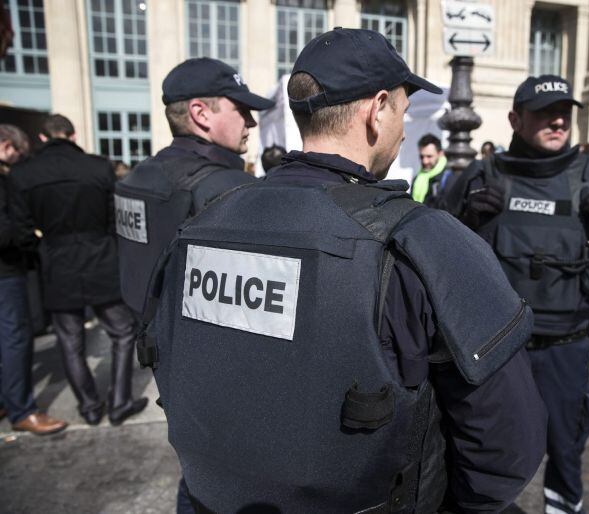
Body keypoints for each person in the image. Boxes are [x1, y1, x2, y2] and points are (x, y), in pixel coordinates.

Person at [141, 28, 547, 513]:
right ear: (377, 110)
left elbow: (166, 361)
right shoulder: (425, 240)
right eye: (404, 107)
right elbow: (506, 448)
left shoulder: (204, 222)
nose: (403, 125)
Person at [442, 74, 589, 514]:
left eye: (565, 112)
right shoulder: (485, 173)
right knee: (480, 450)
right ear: (515, 119)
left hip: (566, 349)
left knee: (566, 448)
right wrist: (464, 219)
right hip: (497, 350)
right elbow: (434, 249)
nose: (558, 121)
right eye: (544, 112)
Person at [114, 57, 274, 514]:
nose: (250, 121)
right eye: (240, 109)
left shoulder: (137, 178)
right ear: (202, 114)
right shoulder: (229, 190)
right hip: (224, 378)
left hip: (166, 362)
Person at [10, 114, 147, 427]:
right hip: (100, 258)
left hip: (57, 262)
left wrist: (43, 251)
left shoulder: (23, 173)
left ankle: (89, 407)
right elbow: (117, 220)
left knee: (70, 341)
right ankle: (120, 401)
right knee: (123, 331)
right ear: (72, 136)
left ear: (43, 139)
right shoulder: (98, 166)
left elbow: (21, 232)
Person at [0, 124, 67, 435]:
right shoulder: (6, 180)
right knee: (15, 338)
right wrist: (28, 238)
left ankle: (9, 399)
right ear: (5, 145)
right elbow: (8, 230)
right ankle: (22, 409)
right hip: (7, 269)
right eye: (15, 150)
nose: (18, 156)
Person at [410, 133, 448, 206]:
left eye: (429, 156)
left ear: (440, 154)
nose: (425, 161)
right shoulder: (417, 178)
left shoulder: (448, 177)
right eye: (421, 157)